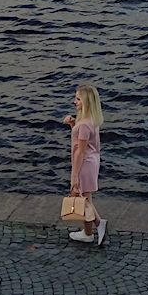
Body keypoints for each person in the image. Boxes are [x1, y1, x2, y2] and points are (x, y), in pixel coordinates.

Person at [62, 86, 106, 246]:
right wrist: (73, 124)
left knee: (82, 198)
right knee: (84, 198)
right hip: (91, 161)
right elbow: (82, 142)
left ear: (86, 102)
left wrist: (74, 176)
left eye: (78, 99)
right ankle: (88, 232)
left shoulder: (85, 125)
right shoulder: (90, 121)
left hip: (84, 164)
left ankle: (98, 225)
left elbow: (80, 152)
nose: (75, 102)